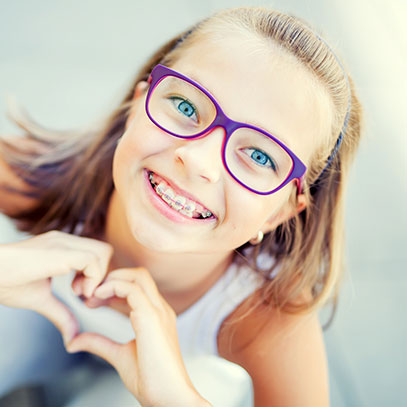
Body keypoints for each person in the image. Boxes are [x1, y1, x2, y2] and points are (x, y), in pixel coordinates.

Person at [0, 6, 362, 407]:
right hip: (42, 327)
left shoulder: (265, 316)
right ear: (138, 105)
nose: (199, 161)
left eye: (259, 157)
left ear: (280, 211)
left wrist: (174, 398)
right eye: (186, 107)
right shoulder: (39, 177)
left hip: (185, 378)